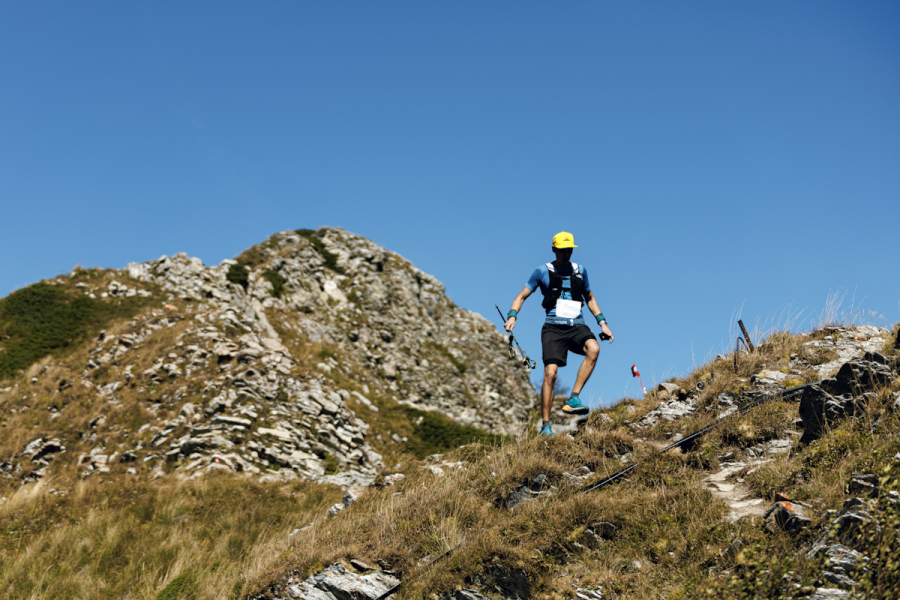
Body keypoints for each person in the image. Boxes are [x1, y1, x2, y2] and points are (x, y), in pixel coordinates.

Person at [504, 231, 614, 436]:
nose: (566, 254)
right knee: (550, 373)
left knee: (594, 348)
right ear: (554, 249)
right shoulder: (542, 271)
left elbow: (590, 298)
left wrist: (603, 324)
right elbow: (521, 296)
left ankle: (574, 398)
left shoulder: (580, 271)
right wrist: (512, 316)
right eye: (562, 250)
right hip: (553, 328)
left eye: (569, 250)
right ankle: (546, 425)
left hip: (576, 325)